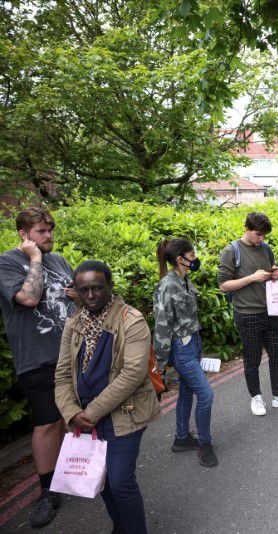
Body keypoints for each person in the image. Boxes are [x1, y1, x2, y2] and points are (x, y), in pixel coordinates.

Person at [54, 261, 160, 534]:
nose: (91, 296)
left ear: (110, 287)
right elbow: (63, 374)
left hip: (125, 412)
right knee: (101, 479)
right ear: (75, 291)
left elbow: (133, 374)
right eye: (84, 290)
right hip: (86, 417)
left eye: (98, 288)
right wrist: (71, 412)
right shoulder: (73, 323)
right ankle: (121, 526)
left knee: (120, 480)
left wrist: (91, 412)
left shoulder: (131, 320)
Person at [0, 207, 75, 527]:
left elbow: (76, 301)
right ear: (24, 234)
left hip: (71, 352)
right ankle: (47, 492)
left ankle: (71, 474)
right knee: (47, 422)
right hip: (37, 357)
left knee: (69, 417)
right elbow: (28, 299)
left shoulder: (58, 260)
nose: (49, 236)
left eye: (50, 230)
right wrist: (33, 259)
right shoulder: (7, 262)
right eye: (41, 231)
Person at [218, 212, 278, 416]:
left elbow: (269, 272)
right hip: (247, 314)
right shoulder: (232, 251)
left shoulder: (265, 248)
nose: (261, 239)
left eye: (264, 235)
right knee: (252, 358)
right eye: (258, 234)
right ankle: (256, 398)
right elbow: (223, 285)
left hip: (272, 311)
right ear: (246, 229)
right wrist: (252, 278)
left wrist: (275, 272)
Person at [153, 238, 217, 467]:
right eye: (193, 254)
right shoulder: (167, 285)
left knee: (187, 392)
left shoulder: (184, 279)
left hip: (193, 343)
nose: (196, 258)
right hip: (182, 349)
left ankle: (182, 438)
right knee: (206, 395)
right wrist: (160, 364)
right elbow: (161, 325)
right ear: (181, 259)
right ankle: (204, 444)